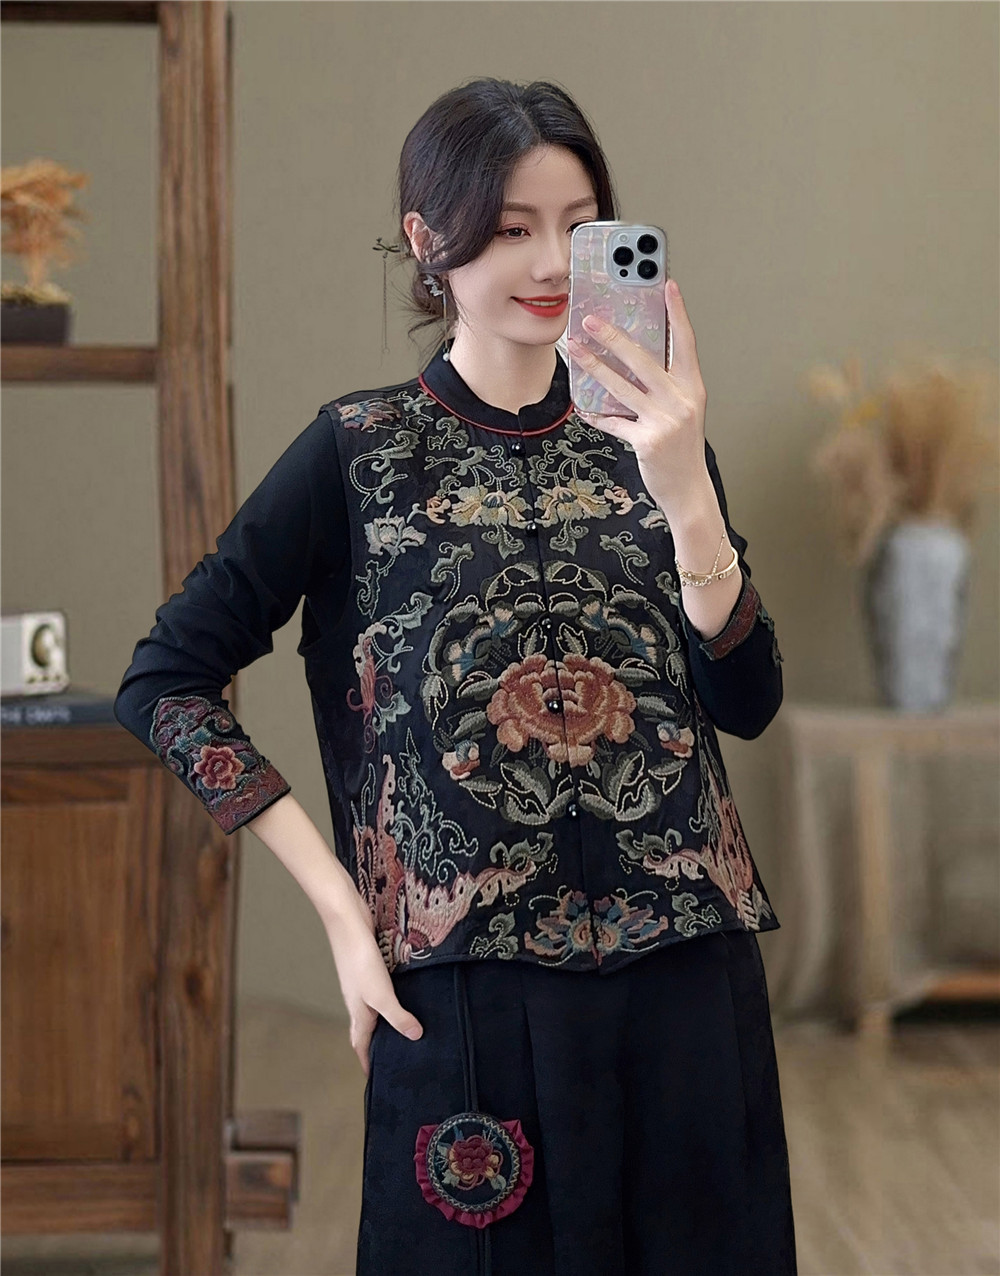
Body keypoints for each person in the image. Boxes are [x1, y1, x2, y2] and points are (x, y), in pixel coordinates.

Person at [114, 77, 796, 1276]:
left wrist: (686, 490)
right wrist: (344, 915)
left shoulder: (658, 441)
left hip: (688, 977)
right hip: (465, 993)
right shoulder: (356, 451)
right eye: (510, 226)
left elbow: (746, 703)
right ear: (429, 240)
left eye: (575, 224)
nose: (548, 261)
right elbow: (165, 680)